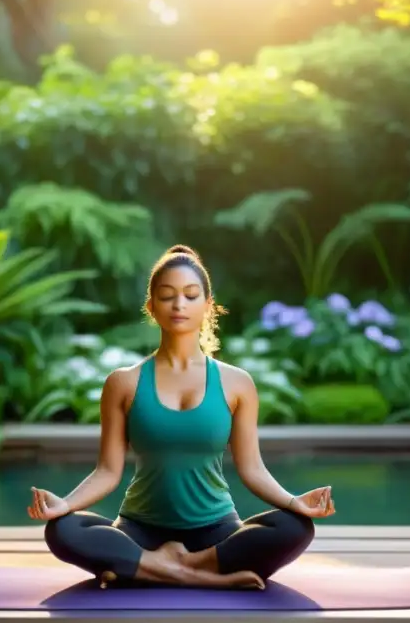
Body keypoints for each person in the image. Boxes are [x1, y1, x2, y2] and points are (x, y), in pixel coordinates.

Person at [28, 244, 336, 589]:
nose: (179, 305)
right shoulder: (123, 382)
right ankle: (194, 576)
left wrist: (296, 502)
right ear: (151, 307)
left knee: (296, 527)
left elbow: (252, 469)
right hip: (139, 529)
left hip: (215, 531)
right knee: (63, 529)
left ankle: (163, 567)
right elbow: (108, 471)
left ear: (208, 307)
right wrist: (64, 504)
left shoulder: (237, 383)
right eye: (167, 296)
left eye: (191, 296)